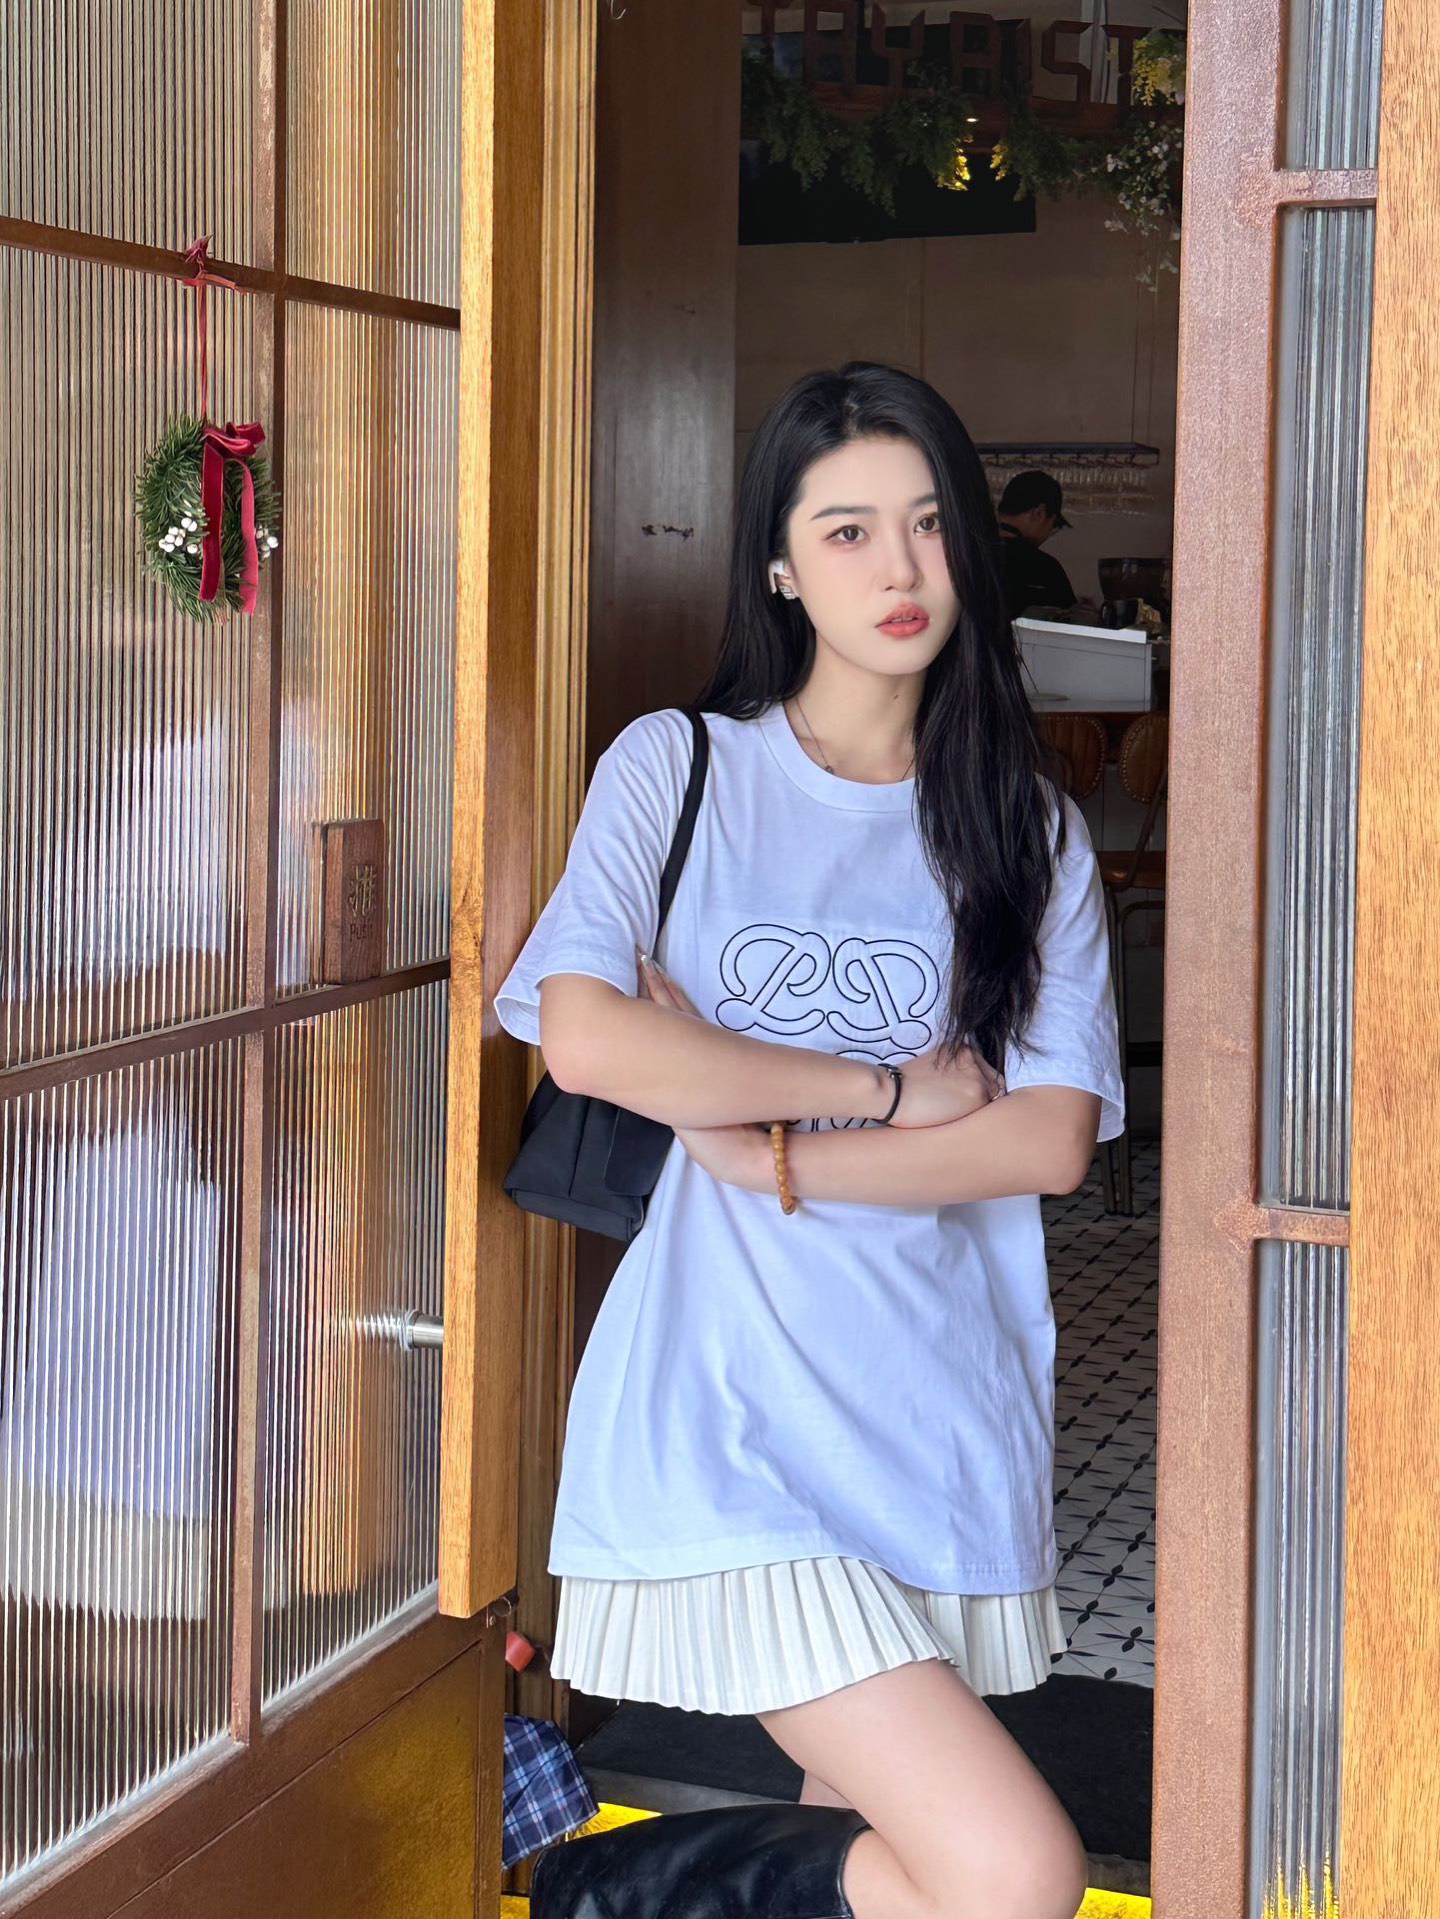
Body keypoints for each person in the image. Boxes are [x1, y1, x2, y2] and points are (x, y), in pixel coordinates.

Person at [495, 363, 1124, 1919]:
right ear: (780, 563)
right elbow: (589, 1036)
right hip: (727, 1421)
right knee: (1012, 1869)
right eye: (846, 531)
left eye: (928, 523)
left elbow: (1048, 1138)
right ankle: (611, 1892)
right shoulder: (682, 767)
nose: (898, 567)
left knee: (902, 1871)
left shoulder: (1026, 827)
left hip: (934, 1414)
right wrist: (887, 1089)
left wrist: (760, 1148)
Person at [996, 468, 1077, 618]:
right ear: (1039, 513)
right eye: (1052, 525)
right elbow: (1068, 622)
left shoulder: (968, 554)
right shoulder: (1046, 569)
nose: (1049, 534)